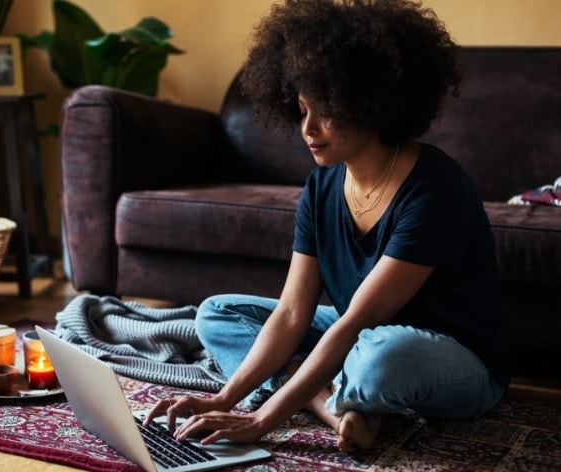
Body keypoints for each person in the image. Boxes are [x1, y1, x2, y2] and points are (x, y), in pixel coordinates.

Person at [144, 0, 510, 452]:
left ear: (371, 104)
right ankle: (332, 402)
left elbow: (359, 321)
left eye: (325, 111)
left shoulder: (435, 190)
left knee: (379, 359)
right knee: (218, 315)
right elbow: (293, 312)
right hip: (356, 333)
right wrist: (223, 398)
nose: (308, 128)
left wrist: (261, 420)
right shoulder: (320, 188)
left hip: (451, 356)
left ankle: (324, 386)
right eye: (301, 110)